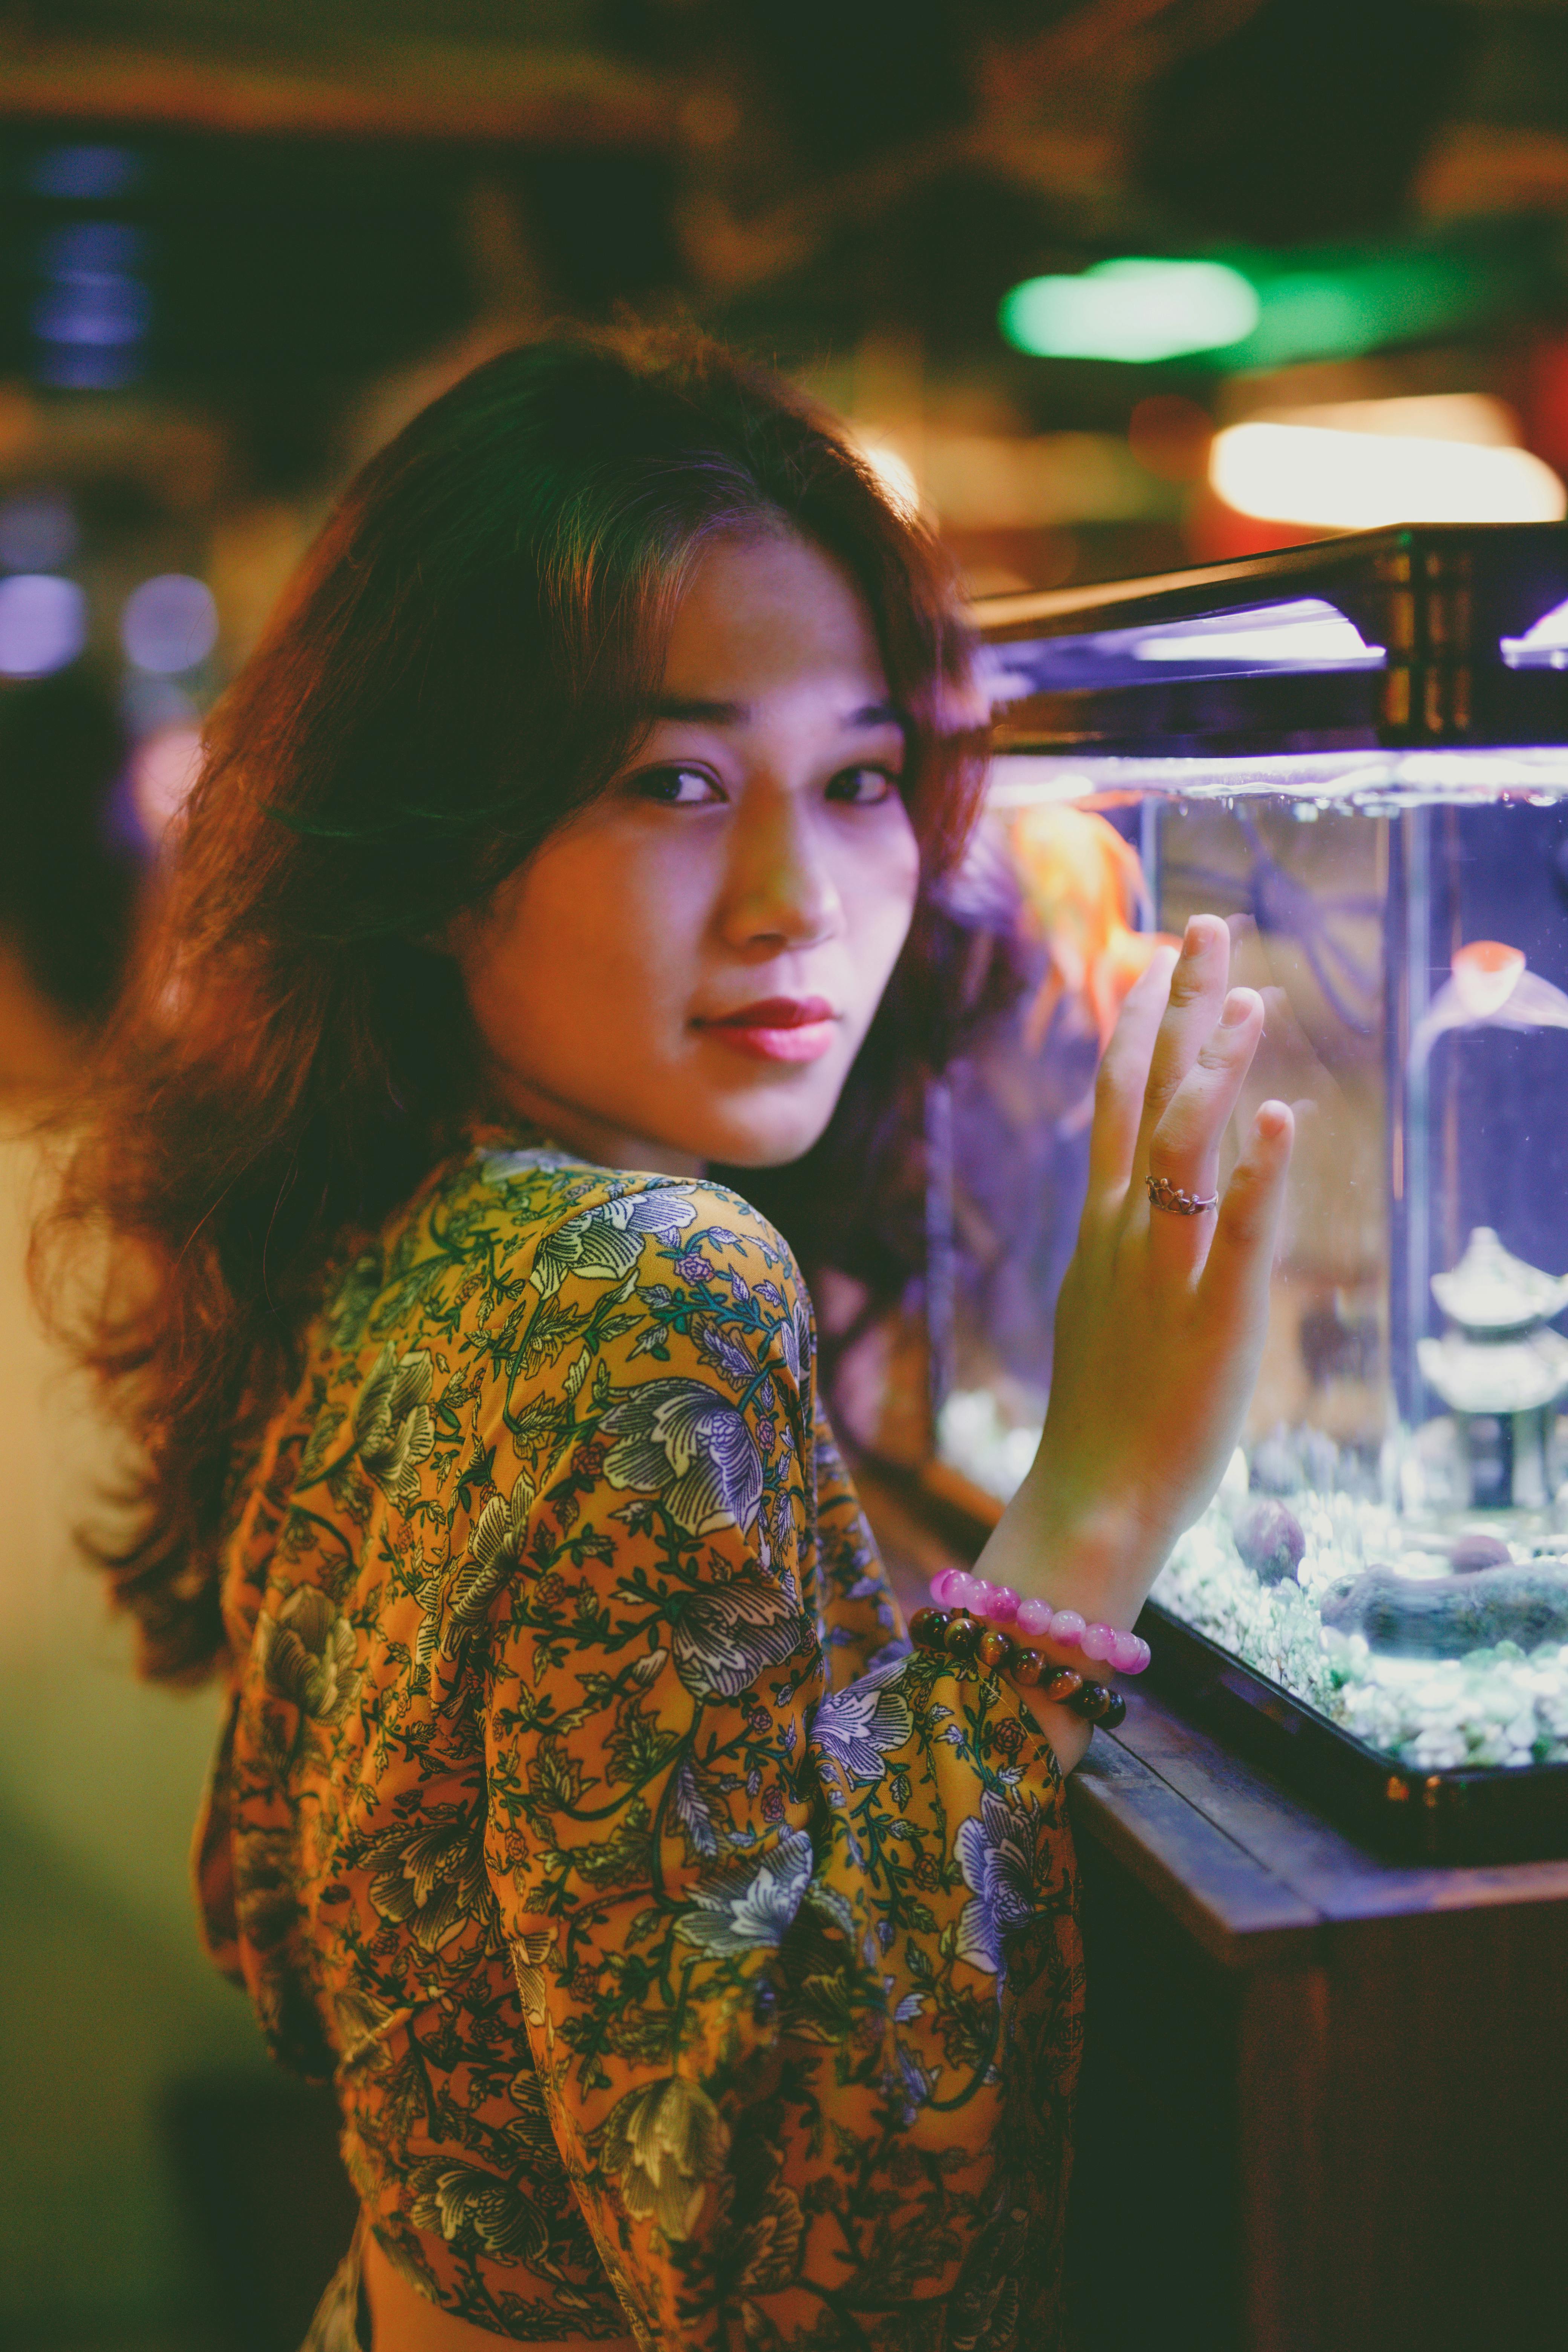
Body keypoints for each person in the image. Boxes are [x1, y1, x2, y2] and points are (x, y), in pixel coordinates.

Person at [43, 330, 1292, 2352]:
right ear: (443, 839)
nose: (798, 897)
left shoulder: (395, 1221)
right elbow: (815, 2276)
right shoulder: (647, 1285)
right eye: (675, 781)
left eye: (864, 777)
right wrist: (1098, 1497)